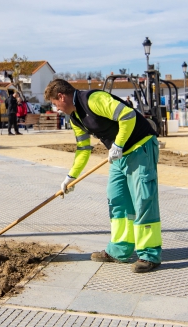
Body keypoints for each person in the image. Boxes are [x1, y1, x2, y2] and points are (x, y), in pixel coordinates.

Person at [45, 79, 161, 273]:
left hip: (140, 147)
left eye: (55, 104)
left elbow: (128, 115)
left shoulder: (93, 99)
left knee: (143, 200)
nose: (56, 108)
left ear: (61, 96)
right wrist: (71, 177)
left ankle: (149, 254)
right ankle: (120, 249)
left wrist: (118, 144)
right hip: (119, 156)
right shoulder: (75, 118)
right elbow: (83, 148)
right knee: (117, 199)